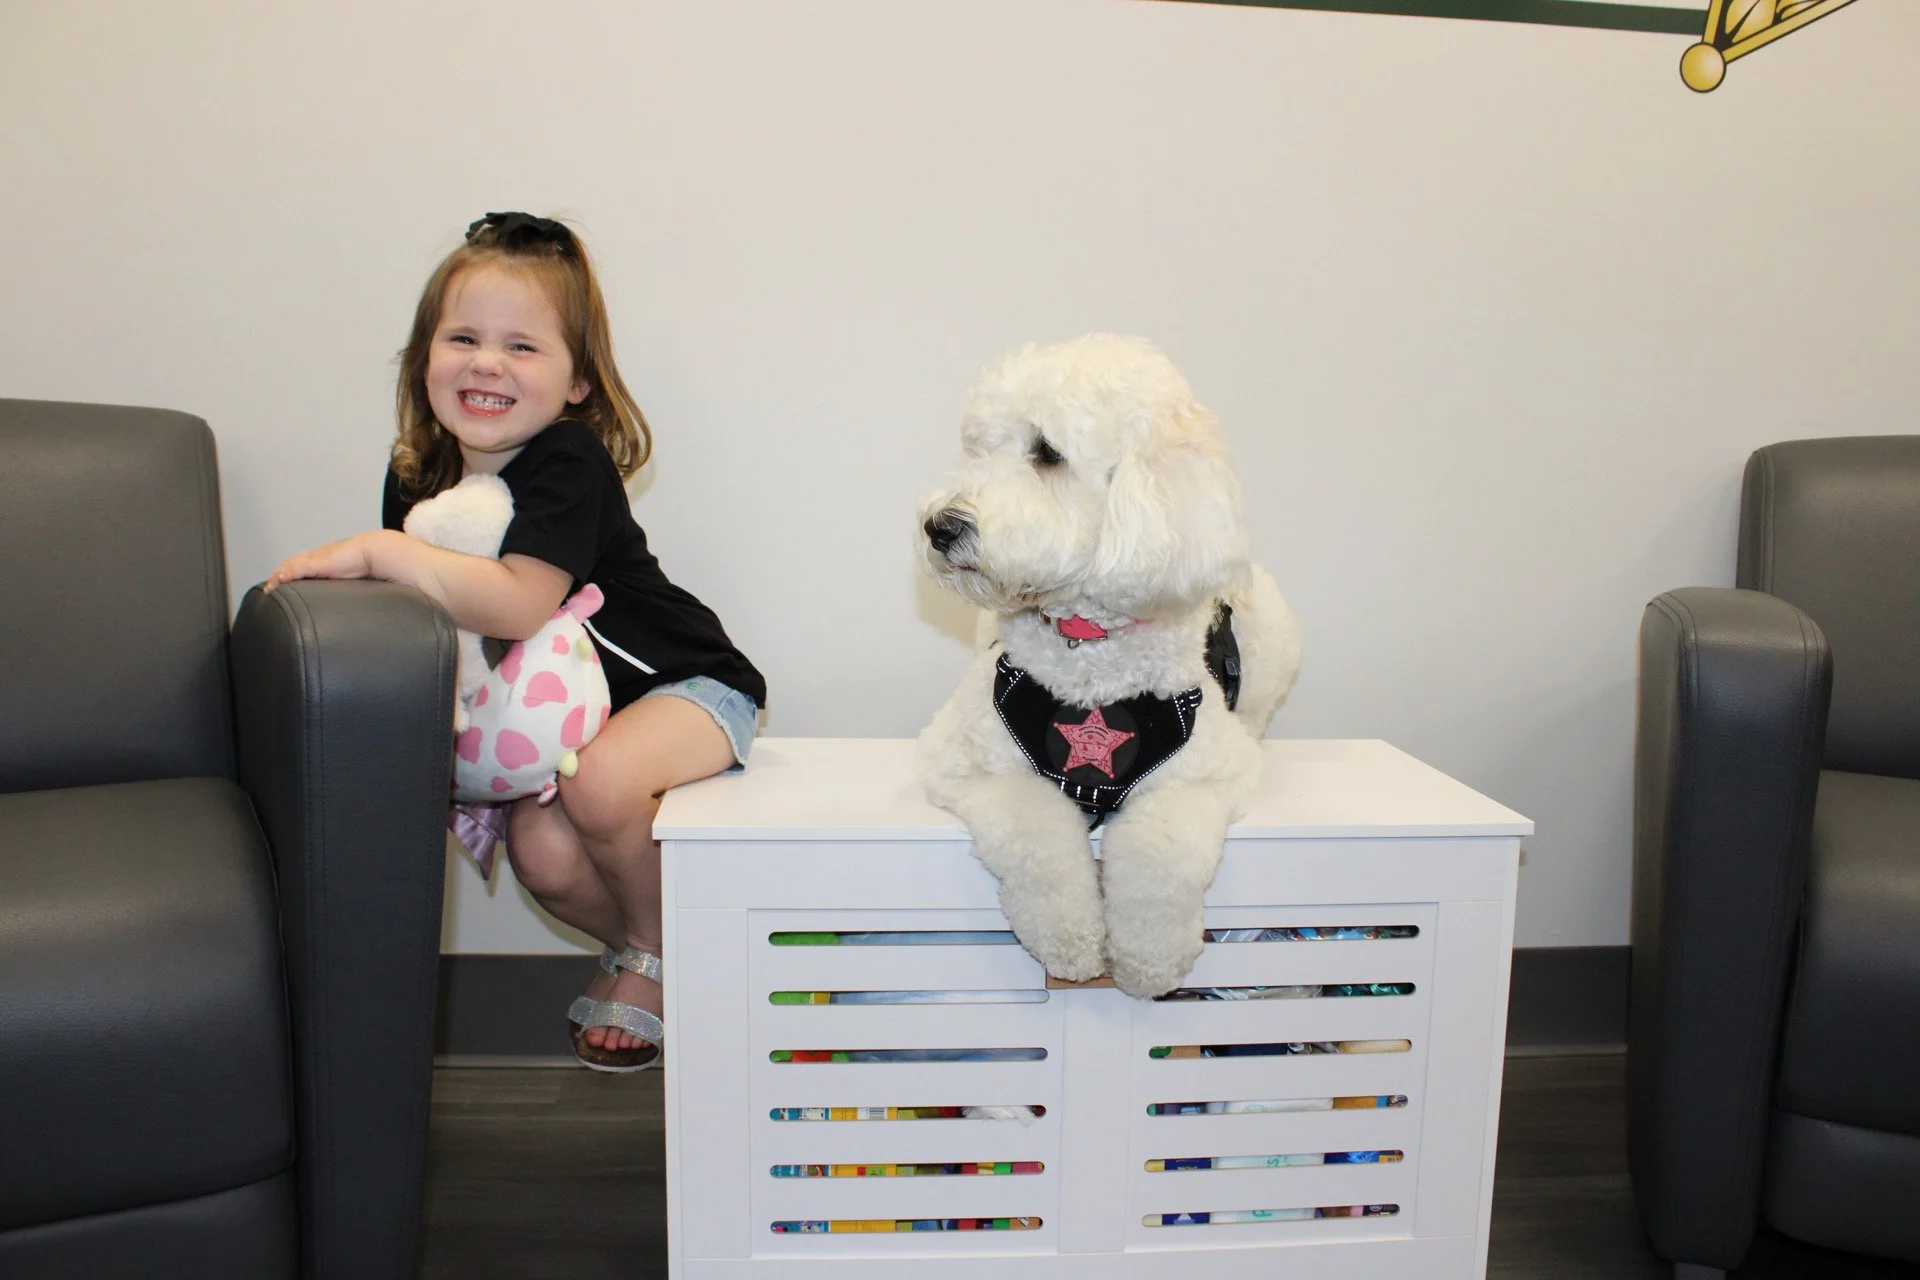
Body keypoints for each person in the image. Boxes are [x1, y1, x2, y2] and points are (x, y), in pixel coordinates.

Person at [268, 212, 765, 1071]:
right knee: (540, 852)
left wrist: (383, 551)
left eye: (523, 347)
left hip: (687, 690)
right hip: (580, 719)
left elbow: (520, 605)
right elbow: (428, 631)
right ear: (424, 358)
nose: (487, 362)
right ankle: (691, 958)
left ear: (578, 383)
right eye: (461, 337)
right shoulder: (418, 475)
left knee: (602, 786)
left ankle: (654, 959)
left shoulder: (567, 461)